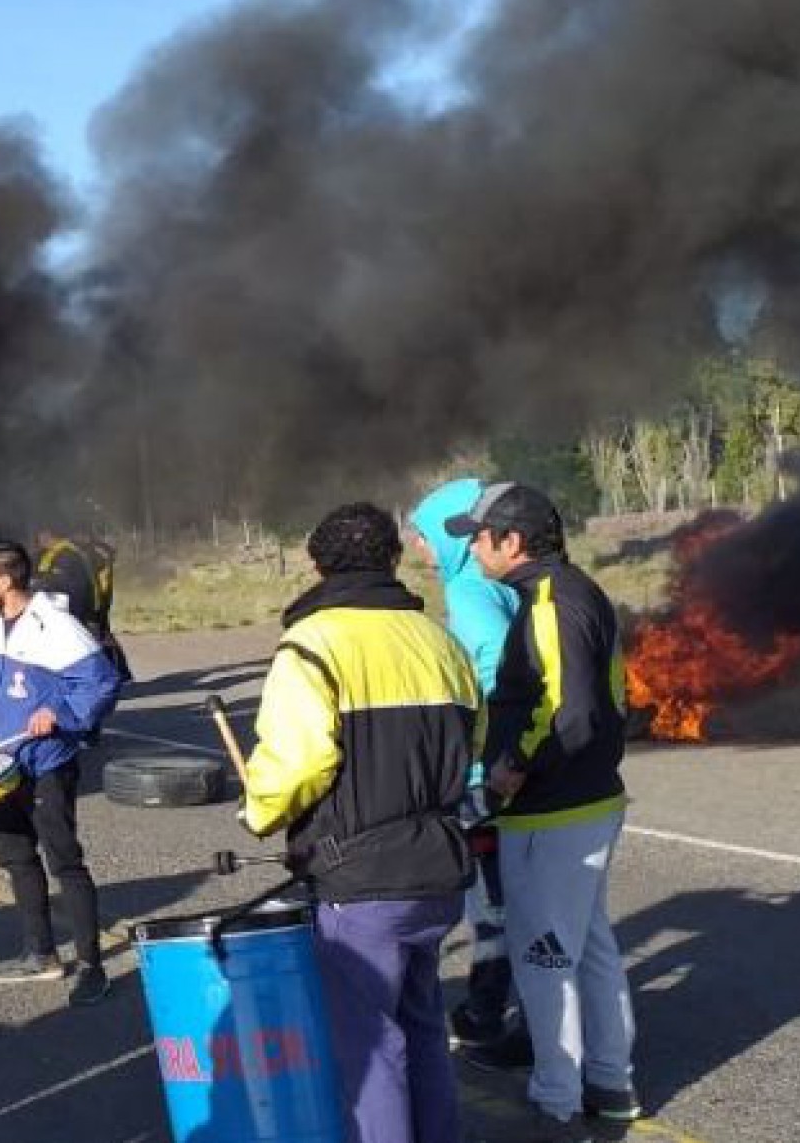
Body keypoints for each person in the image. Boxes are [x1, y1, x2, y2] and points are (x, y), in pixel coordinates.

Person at [242, 502, 480, 1143]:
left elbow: (297, 763)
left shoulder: (312, 645)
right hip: (438, 872)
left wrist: (258, 809)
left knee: (370, 1049)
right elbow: (472, 743)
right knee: (425, 1028)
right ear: (393, 561)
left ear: (316, 566)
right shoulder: (441, 642)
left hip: (360, 881)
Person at [447, 483, 640, 1137]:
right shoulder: (566, 591)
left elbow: (566, 709)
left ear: (512, 541)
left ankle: (556, 1100)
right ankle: (612, 1085)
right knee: (589, 948)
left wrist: (510, 771)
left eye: (479, 535)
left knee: (544, 956)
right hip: (587, 801)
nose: (471, 546)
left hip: (554, 812)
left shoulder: (551, 604)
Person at [0, 540, 121, 1006]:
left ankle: (93, 966)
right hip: (3, 763)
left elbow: (101, 683)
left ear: (6, 580)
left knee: (65, 862)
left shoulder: (56, 624)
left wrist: (58, 713)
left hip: (49, 762)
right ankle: (41, 954)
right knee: (16, 859)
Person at [410, 479, 529, 1063]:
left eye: (426, 540)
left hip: (486, 770)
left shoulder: (470, 589)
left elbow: (497, 666)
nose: (422, 553)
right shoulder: (497, 581)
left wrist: (471, 738)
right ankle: (497, 1007)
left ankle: (487, 1009)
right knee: (508, 895)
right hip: (506, 761)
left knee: (492, 900)